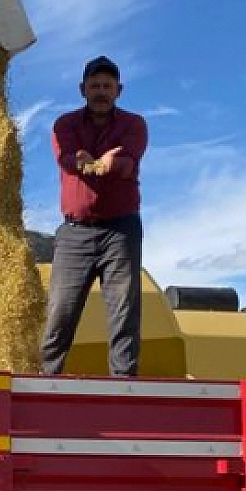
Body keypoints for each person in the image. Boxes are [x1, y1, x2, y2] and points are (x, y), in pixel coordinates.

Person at [39, 55, 148, 377]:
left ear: (119, 90)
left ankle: (124, 383)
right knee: (60, 310)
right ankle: (47, 378)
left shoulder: (134, 124)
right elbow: (68, 159)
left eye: (107, 86)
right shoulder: (65, 124)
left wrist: (100, 164)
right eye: (94, 85)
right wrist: (95, 163)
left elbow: (126, 162)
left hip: (121, 230)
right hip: (74, 233)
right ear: (82, 89)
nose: (101, 91)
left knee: (124, 308)